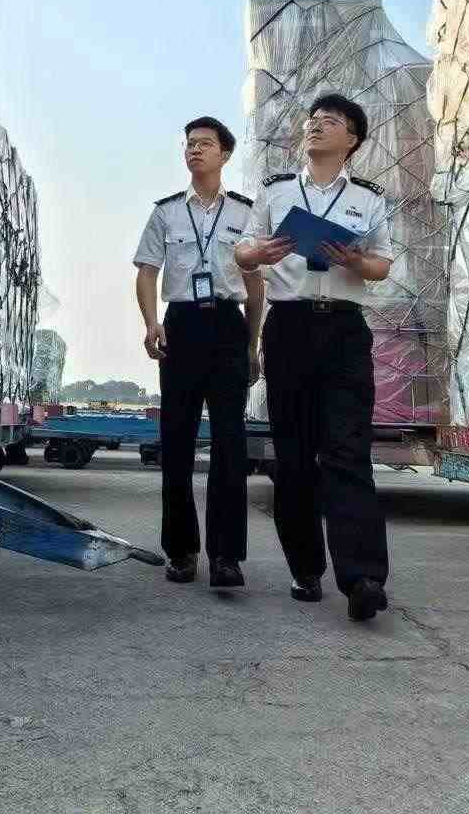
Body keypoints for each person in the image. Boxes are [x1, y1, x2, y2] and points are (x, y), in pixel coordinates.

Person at [234, 91, 394, 622]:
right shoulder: (276, 190)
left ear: (352, 140)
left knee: (348, 452)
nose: (317, 125)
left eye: (331, 120)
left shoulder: (368, 198)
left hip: (344, 329)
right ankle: (306, 569)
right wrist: (257, 254)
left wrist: (356, 260)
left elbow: (382, 265)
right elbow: (242, 249)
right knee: (295, 456)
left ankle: (362, 577)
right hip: (289, 328)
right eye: (313, 119)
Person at [132, 115, 265, 591]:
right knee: (177, 441)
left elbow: (255, 285)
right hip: (181, 326)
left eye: (205, 143)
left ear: (225, 154)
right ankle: (182, 551)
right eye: (189, 143)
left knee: (230, 443)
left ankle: (226, 557)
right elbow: (147, 271)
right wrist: (152, 322)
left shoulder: (246, 214)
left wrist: (252, 343)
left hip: (228, 326)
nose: (194, 150)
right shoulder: (166, 213)